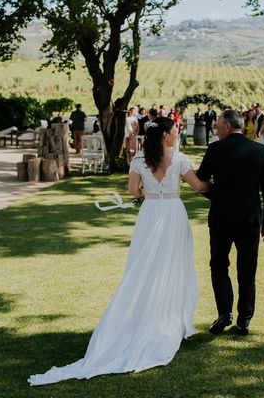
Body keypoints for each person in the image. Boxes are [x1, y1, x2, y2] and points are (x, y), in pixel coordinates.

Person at [28, 118, 210, 386]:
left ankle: (142, 318)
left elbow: (133, 190)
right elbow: (199, 186)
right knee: (173, 266)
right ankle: (167, 320)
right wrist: (220, 186)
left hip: (150, 214)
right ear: (164, 136)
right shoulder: (180, 159)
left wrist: (148, 193)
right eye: (174, 132)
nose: (176, 135)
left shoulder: (139, 159)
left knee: (145, 267)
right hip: (173, 214)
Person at [197, 109, 264, 336]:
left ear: (228, 127)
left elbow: (202, 180)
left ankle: (224, 314)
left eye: (218, 125)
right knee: (247, 270)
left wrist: (216, 195)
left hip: (221, 218)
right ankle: (244, 320)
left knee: (219, 265)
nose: (216, 128)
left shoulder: (215, 149)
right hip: (250, 220)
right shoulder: (259, 150)